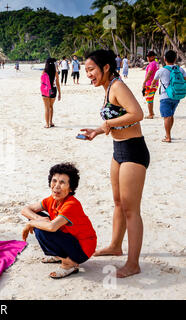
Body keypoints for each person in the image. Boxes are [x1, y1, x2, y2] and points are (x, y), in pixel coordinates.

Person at [80, 50, 149, 278]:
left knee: (131, 210)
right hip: (118, 150)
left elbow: (137, 113)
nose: (88, 74)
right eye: (86, 70)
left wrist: (105, 125)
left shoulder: (117, 86)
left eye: (91, 69)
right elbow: (117, 120)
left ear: (106, 67)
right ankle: (116, 246)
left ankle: (133, 264)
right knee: (118, 202)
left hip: (133, 151)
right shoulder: (107, 88)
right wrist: (99, 130)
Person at [21, 163, 97, 279]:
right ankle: (58, 255)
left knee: (42, 229)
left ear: (70, 188)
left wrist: (32, 223)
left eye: (62, 183)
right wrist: (38, 218)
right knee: (37, 218)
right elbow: (26, 210)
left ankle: (69, 263)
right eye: (54, 181)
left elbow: (52, 227)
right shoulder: (51, 200)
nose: (56, 186)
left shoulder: (71, 205)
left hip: (82, 249)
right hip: (69, 238)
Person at [150, 50, 186, 143]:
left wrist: (153, 86)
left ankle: (168, 137)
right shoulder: (180, 69)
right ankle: (168, 134)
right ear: (175, 59)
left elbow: (153, 82)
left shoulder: (161, 70)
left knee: (167, 117)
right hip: (176, 96)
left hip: (165, 97)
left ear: (165, 59)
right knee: (171, 115)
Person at [40, 58, 61, 128]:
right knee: (51, 107)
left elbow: (42, 82)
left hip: (45, 90)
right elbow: (57, 83)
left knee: (46, 108)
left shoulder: (44, 71)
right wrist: (60, 93)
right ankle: (51, 122)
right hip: (53, 90)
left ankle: (47, 124)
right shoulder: (55, 72)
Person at [142, 51, 159, 119]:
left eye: (149, 56)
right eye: (147, 56)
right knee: (150, 98)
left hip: (150, 84)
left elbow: (149, 73)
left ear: (153, 57)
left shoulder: (152, 64)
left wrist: (144, 82)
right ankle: (151, 112)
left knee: (149, 99)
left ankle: (151, 114)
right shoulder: (156, 63)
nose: (148, 58)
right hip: (154, 83)